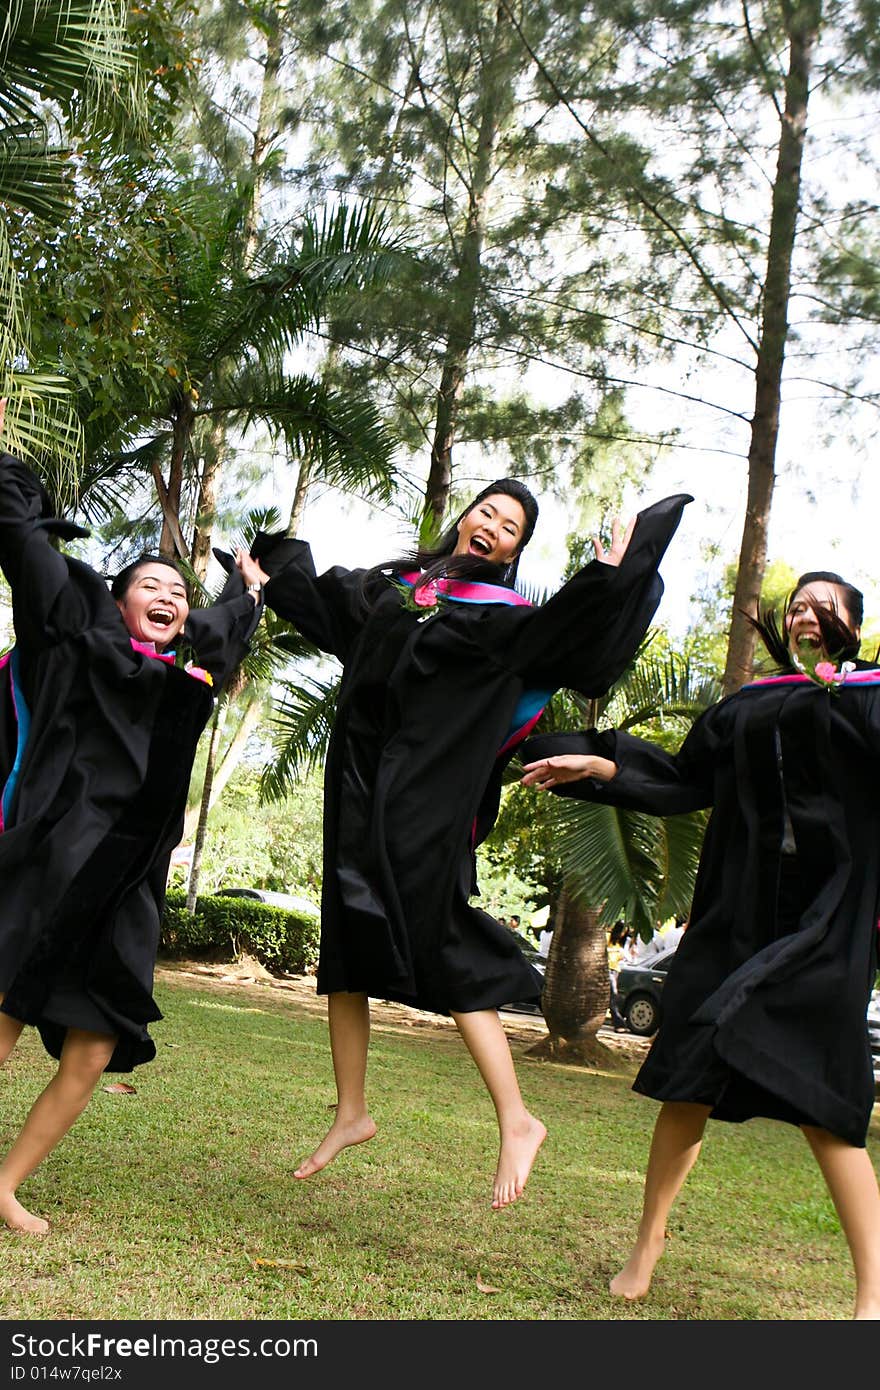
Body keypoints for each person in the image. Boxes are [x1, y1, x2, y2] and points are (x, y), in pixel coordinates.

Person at [247, 479, 691, 1208]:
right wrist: (271, 574)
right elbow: (332, 605)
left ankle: (518, 1118)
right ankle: (351, 1110)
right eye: (487, 510)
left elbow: (572, 637)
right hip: (359, 786)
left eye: (510, 526)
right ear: (464, 517)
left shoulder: (505, 621)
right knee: (348, 938)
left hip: (430, 796)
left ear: (514, 550)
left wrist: (613, 576)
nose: (493, 525)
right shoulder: (396, 588)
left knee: (442, 936)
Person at [521, 572, 880, 1317]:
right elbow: (685, 781)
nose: (805, 611)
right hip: (735, 917)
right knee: (686, 1078)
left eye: (825, 604)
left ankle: (873, 1292)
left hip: (825, 926)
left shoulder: (873, 700)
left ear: (854, 623)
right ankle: (647, 1244)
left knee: (826, 1105)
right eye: (797, 604)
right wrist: (597, 764)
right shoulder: (747, 704)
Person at [0, 405, 263, 1234]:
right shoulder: (75, 644)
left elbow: (228, 629)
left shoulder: (186, 677)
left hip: (130, 888)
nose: (169, 596)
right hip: (59, 858)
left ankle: (4, 1185)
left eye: (178, 592)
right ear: (115, 601)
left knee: (95, 1044)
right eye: (150, 583)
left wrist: (244, 588)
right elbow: (31, 555)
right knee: (4, 1010)